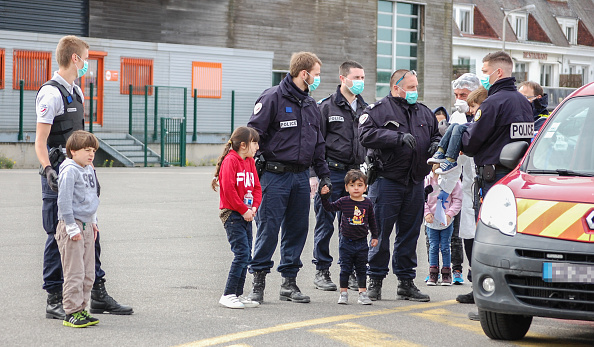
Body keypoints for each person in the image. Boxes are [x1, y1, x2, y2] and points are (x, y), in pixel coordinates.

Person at [34, 35, 132, 319]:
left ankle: (96, 292)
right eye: (86, 58)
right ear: (75, 58)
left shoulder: (77, 92)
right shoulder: (51, 93)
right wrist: (48, 169)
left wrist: (91, 170)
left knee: (90, 230)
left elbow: (79, 140)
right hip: (59, 174)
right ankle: (55, 297)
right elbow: (40, 141)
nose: (88, 64)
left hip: (82, 173)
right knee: (58, 234)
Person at [247, 52, 331, 304]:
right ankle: (258, 281)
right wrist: (248, 174)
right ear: (303, 74)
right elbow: (253, 136)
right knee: (268, 229)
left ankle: (289, 283)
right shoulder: (272, 97)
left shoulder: (311, 105)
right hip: (273, 176)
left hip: (300, 178)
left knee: (297, 230)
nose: (317, 79)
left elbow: (318, 145)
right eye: (316, 74)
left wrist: (324, 176)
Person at [459, 51, 533, 318]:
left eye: (485, 70)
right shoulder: (524, 103)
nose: (483, 75)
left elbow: (470, 144)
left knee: (487, 238)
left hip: (492, 179)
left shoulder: (492, 104)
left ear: (498, 72)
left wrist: (465, 130)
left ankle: (486, 299)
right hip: (515, 180)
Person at [358, 69, 440, 301]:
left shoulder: (424, 112)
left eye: (416, 87)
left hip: (414, 183)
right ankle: (375, 280)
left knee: (409, 235)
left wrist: (435, 145)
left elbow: (435, 135)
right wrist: (396, 138)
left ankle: (406, 282)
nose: (415, 91)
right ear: (396, 88)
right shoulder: (378, 110)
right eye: (411, 87)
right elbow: (365, 135)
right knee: (380, 234)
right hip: (387, 182)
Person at [311, 61, 368, 292]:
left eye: (363, 78)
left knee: (353, 225)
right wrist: (316, 175)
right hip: (331, 172)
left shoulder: (366, 108)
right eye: (356, 77)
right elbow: (315, 143)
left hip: (355, 174)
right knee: (325, 223)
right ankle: (322, 271)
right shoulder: (326, 107)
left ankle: (351, 272)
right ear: (343, 78)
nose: (360, 82)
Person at [435, 73, 482, 287]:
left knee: (480, 233)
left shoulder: (483, 114)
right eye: (456, 94)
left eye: (464, 94)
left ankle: (480, 282)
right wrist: (444, 186)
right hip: (468, 184)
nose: (459, 99)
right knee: (468, 234)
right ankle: (474, 283)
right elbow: (454, 160)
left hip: (483, 183)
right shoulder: (457, 117)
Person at [212, 127, 262, 309]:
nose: (257, 146)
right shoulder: (230, 161)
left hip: (246, 214)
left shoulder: (249, 162)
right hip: (232, 214)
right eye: (254, 142)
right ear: (243, 145)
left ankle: (237, 295)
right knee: (241, 254)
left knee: (246, 255)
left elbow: (257, 187)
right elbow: (229, 191)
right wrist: (243, 210)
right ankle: (228, 294)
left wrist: (254, 207)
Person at [56, 130, 101, 328]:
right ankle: (71, 312)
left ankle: (82, 309)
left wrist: (93, 220)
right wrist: (72, 227)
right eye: (86, 150)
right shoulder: (70, 170)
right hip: (72, 226)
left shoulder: (88, 168)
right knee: (74, 272)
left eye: (93, 150)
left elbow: (92, 198)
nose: (91, 154)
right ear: (73, 151)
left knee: (88, 272)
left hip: (87, 225)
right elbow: (64, 201)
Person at [319, 170, 378, 305]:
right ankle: (343, 293)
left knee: (362, 268)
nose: (356, 188)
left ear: (365, 187)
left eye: (359, 185)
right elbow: (329, 207)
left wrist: (375, 236)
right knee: (345, 268)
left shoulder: (367, 203)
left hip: (362, 242)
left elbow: (372, 221)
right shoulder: (344, 201)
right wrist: (324, 197)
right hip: (346, 242)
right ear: (346, 188)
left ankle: (362, 293)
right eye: (352, 185)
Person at [428, 87, 488, 174]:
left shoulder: (484, 118)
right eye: (456, 95)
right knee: (455, 126)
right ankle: (441, 151)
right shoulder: (458, 115)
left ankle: (451, 159)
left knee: (458, 128)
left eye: (463, 95)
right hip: (465, 168)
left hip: (474, 165)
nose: (471, 110)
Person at [424, 164, 462, 286]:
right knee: (433, 246)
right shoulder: (427, 180)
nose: (438, 166)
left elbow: (457, 200)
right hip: (431, 219)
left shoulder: (452, 181)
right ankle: (433, 273)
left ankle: (446, 273)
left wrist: (449, 214)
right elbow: (422, 198)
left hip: (446, 220)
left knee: (446, 246)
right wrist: (426, 213)